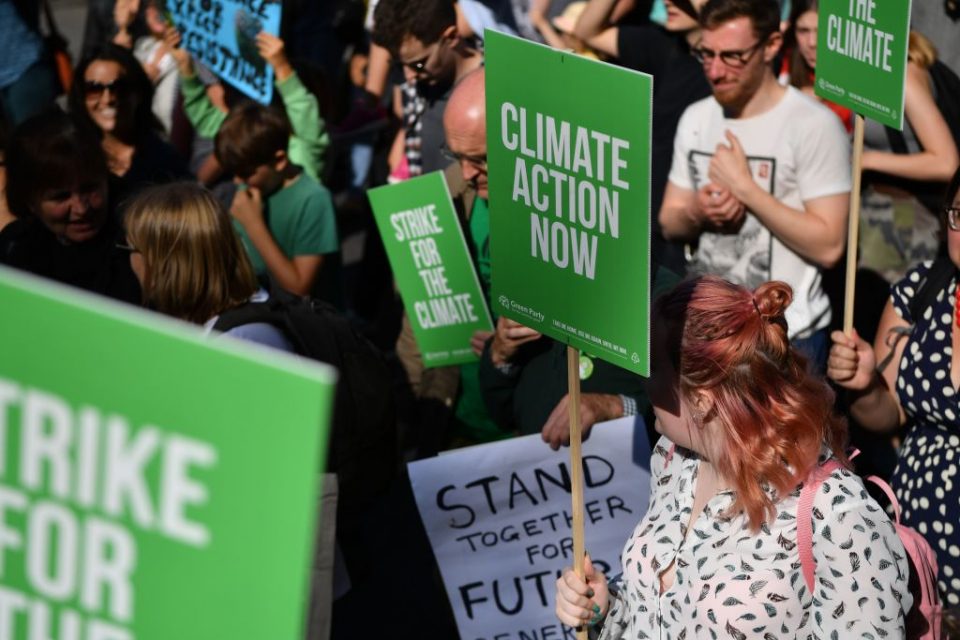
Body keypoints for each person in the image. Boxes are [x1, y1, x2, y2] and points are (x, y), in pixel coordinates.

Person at [555, 275, 913, 637]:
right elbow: (659, 613)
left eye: (653, 369)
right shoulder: (673, 460)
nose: (643, 382)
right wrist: (607, 606)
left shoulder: (838, 515)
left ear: (701, 399)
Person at [659, 0, 851, 372]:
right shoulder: (697, 117)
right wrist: (698, 212)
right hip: (706, 331)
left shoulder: (813, 124)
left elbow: (829, 246)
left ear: (772, 44)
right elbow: (669, 221)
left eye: (732, 56)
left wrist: (746, 190)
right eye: (706, 54)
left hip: (786, 339)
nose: (715, 71)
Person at [827, 167, 960, 607]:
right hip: (920, 522)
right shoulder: (922, 288)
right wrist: (865, 387)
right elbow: (888, 417)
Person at [574, 0, 711, 274]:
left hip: (696, 236)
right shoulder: (663, 45)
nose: (667, 1)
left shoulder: (734, 69)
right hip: (649, 225)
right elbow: (587, 31)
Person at [0, 108, 140, 303]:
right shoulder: (13, 251)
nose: (81, 209)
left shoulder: (141, 237)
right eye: (61, 197)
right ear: (30, 201)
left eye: (90, 189)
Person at [856, 31, 959, 283]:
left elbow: (946, 162)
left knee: (898, 306)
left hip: (911, 214)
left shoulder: (903, 77)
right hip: (891, 210)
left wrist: (867, 160)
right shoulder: (873, 70)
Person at [214, 100, 339, 297]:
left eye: (246, 172)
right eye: (234, 172)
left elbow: (298, 288)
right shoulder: (249, 189)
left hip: (301, 322)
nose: (238, 181)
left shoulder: (313, 200)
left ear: (279, 160)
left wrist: (254, 225)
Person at [372, 0, 484, 178]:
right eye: (399, 65)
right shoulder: (419, 83)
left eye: (418, 64)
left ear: (452, 37)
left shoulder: (490, 86)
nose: (408, 76)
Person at [68, 44, 191, 206]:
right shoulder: (70, 156)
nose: (108, 99)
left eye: (119, 88)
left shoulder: (166, 161)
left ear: (138, 93)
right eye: (94, 89)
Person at [779, 0, 852, 131]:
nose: (812, 42)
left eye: (822, 30)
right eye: (803, 31)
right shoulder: (786, 59)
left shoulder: (854, 70)